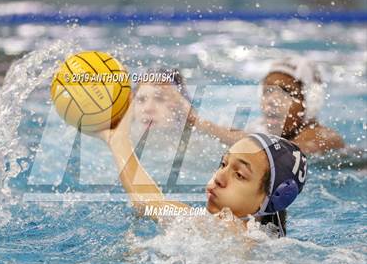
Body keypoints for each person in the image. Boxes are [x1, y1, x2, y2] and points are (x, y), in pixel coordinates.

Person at [85, 99, 308, 238]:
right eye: (223, 164)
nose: (219, 177)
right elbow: (149, 201)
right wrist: (117, 139)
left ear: (271, 199)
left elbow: (149, 203)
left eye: (239, 174)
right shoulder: (215, 225)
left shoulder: (232, 234)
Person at [174, 57, 345, 154]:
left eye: (287, 92)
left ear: (311, 102)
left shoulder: (324, 138)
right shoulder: (260, 128)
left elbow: (282, 152)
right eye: (268, 91)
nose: (272, 100)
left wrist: (198, 122)